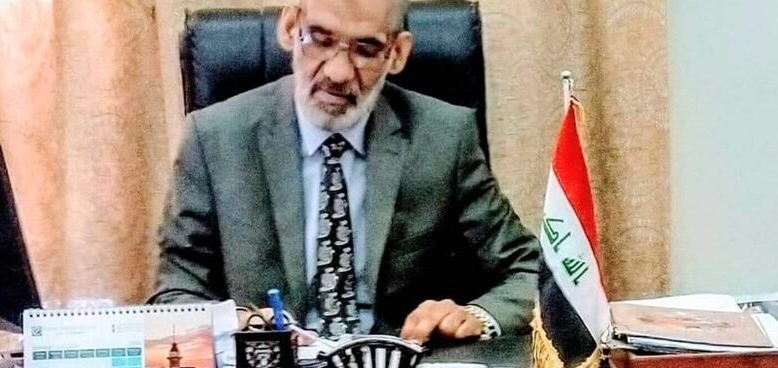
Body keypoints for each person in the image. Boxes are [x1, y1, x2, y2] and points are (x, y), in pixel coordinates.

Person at [150, 0, 539, 345]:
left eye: (365, 50)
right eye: (320, 40)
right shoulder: (215, 138)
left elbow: (531, 271)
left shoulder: (444, 137)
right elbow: (176, 296)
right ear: (290, 28)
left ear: (397, 54)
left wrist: (476, 317)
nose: (337, 73)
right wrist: (233, 325)